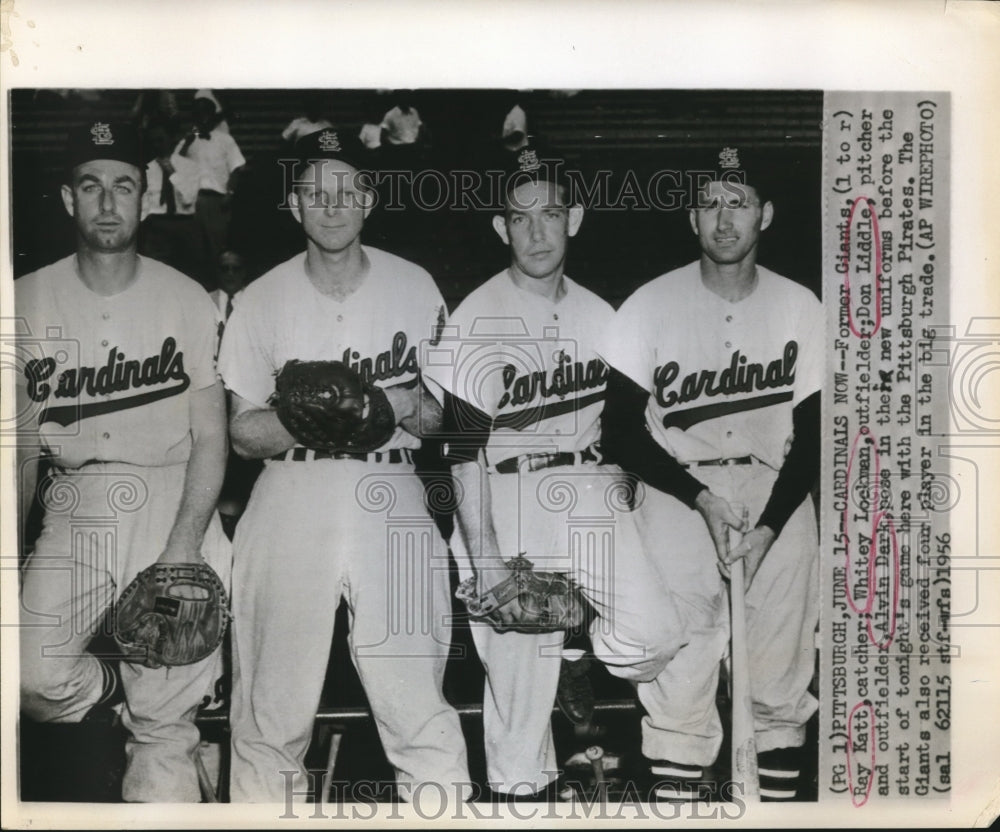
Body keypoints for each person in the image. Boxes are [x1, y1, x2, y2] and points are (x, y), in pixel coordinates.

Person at [423, 146, 685, 801]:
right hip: (503, 495)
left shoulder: (604, 316)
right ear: (500, 228)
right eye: (520, 218)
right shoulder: (476, 319)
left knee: (657, 631)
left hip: (590, 490)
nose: (536, 231)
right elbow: (460, 451)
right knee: (515, 708)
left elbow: (629, 427)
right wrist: (485, 564)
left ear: (575, 219)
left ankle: (578, 646)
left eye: (550, 214)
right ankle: (520, 803)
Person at [217, 129, 469, 803]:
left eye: (346, 190)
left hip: (390, 486)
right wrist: (322, 412)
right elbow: (243, 434)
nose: (331, 206)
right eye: (313, 193)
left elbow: (442, 418)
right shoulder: (260, 301)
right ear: (294, 208)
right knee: (270, 711)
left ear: (369, 200)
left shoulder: (413, 286)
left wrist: (387, 405)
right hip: (292, 491)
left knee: (417, 700)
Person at [15, 120, 231, 802]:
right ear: (66, 198)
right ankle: (113, 688)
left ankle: (171, 743)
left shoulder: (185, 298)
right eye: (91, 185)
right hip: (75, 505)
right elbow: (17, 447)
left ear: (147, 198)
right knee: (29, 678)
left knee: (166, 718)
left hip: (173, 502)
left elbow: (211, 436)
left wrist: (184, 548)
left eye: (124, 186)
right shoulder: (20, 299)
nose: (108, 202)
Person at [601, 146, 822, 801]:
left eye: (740, 203)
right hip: (677, 491)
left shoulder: (800, 304)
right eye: (711, 204)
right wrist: (698, 499)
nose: (725, 220)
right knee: (681, 673)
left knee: (780, 677)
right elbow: (619, 432)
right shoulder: (647, 304)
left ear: (766, 215)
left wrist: (768, 529)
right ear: (691, 218)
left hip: (776, 491)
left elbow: (811, 439)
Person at [177, 91, 246, 267]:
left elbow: (237, 167)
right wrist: (186, 143)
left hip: (216, 200)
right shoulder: (187, 141)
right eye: (198, 114)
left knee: (217, 246)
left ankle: (217, 287)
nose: (202, 118)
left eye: (205, 113)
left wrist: (230, 193)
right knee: (194, 248)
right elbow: (174, 165)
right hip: (192, 202)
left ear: (212, 115)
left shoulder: (225, 140)